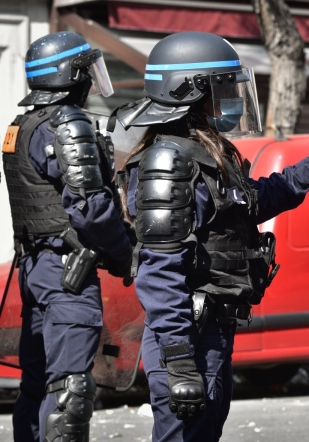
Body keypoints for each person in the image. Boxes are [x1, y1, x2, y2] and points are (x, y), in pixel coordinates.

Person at [114, 31, 309, 442]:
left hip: (212, 333)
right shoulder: (169, 161)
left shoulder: (209, 154)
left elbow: (259, 199)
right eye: (222, 88)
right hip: (188, 339)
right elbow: (158, 272)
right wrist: (179, 362)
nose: (230, 99)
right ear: (189, 92)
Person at [2, 32, 132, 442]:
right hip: (66, 274)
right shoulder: (67, 123)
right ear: (69, 75)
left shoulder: (20, 123)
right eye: (87, 71)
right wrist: (125, 253)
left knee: (38, 385)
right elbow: (90, 208)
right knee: (69, 391)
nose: (92, 81)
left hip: (36, 267)